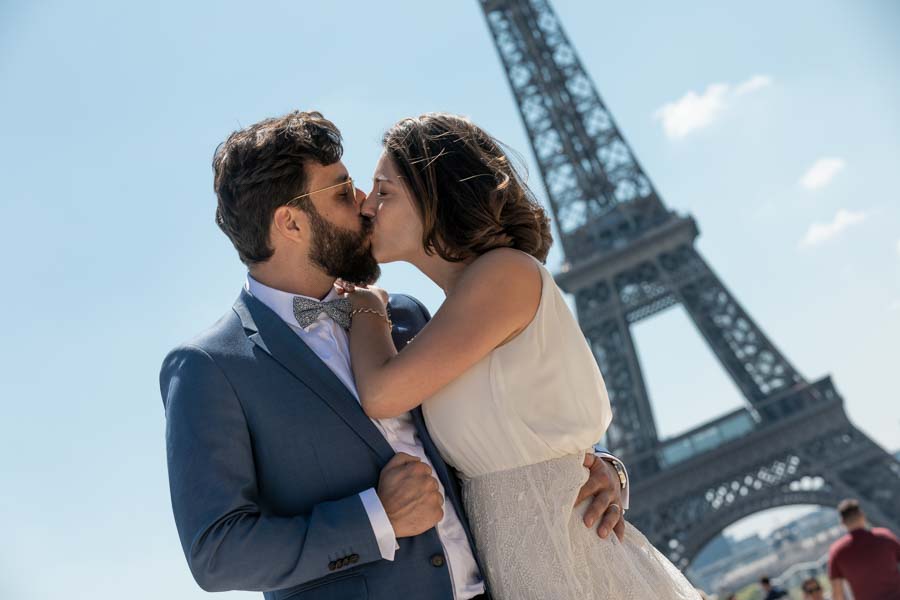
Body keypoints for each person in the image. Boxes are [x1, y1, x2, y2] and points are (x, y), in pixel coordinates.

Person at [160, 110, 629, 600]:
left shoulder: (404, 315)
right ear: (291, 222)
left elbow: (504, 418)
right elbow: (217, 554)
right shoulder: (210, 369)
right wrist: (374, 518)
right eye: (343, 193)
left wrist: (594, 468)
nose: (364, 204)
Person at [341, 112, 700, 599]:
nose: (367, 207)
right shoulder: (453, 315)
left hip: (573, 569)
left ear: (437, 197)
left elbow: (382, 394)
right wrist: (603, 465)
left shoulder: (503, 275)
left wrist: (363, 305)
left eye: (384, 191)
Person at [828, 498, 900, 600]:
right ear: (862, 516)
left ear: (842, 522)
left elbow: (837, 594)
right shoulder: (884, 536)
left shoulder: (837, 552)